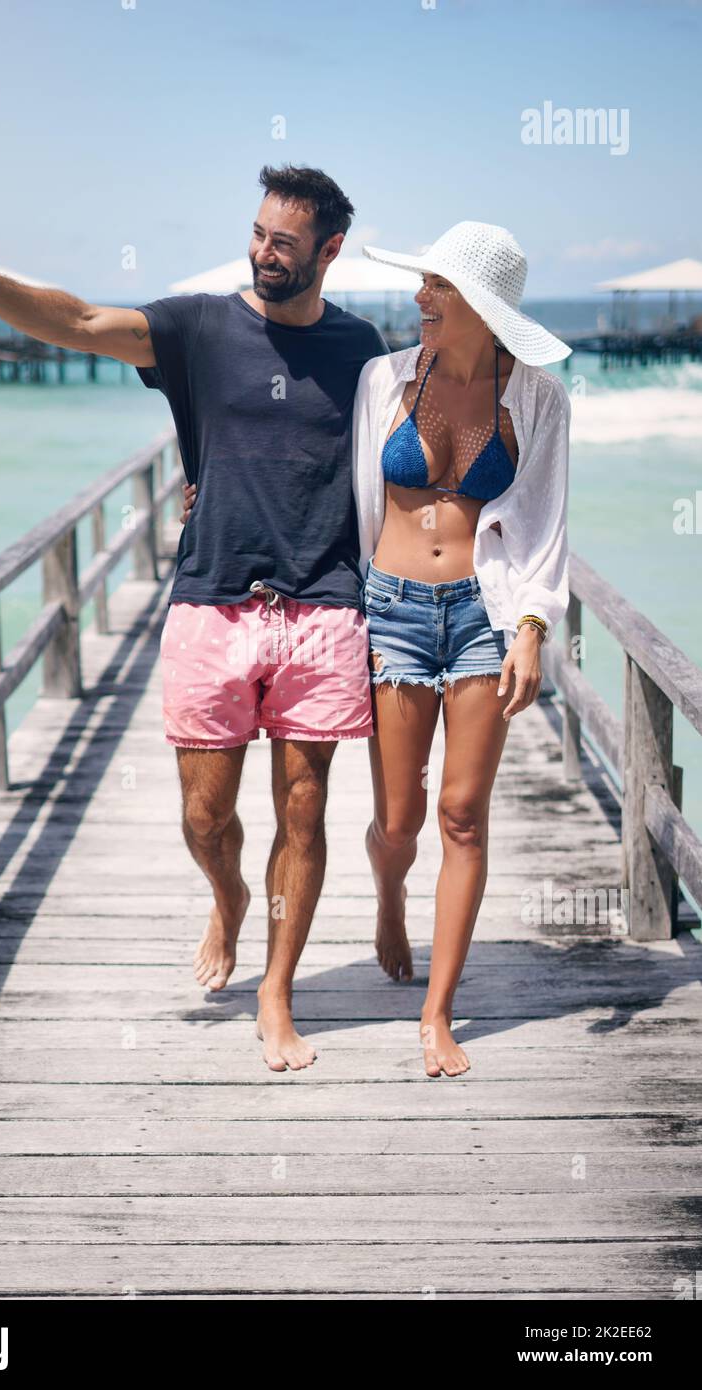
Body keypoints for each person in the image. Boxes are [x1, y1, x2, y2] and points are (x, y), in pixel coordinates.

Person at [0, 165, 388, 1073]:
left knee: (305, 813)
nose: (264, 251)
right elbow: (77, 322)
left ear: (329, 250)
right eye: (258, 233)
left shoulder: (364, 349)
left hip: (323, 603)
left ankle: (277, 992)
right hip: (212, 598)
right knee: (205, 817)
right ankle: (228, 896)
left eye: (284, 240)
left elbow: (406, 457)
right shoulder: (198, 326)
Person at [352, 221, 572, 1078]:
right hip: (392, 609)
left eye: (436, 288)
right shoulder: (385, 379)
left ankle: (437, 1013)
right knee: (400, 819)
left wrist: (531, 628)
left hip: (483, 615)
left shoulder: (540, 400)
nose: (419, 299)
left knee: (461, 816)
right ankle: (388, 895)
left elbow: (545, 525)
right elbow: (322, 479)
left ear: (479, 307)